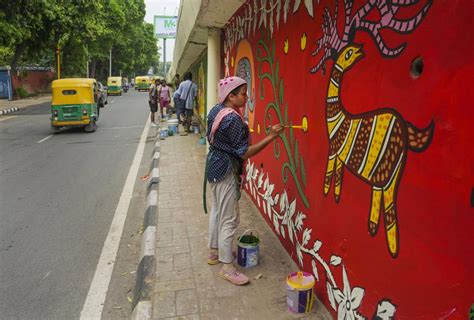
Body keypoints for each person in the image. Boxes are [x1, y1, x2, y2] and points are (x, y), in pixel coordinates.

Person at [205, 76, 284, 285]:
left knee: (217, 211)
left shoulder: (216, 110)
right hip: (226, 171)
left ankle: (214, 253)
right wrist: (270, 137)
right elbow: (244, 153)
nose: (246, 97)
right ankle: (227, 267)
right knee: (229, 219)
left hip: (214, 167)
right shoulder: (233, 120)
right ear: (231, 96)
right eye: (242, 93)